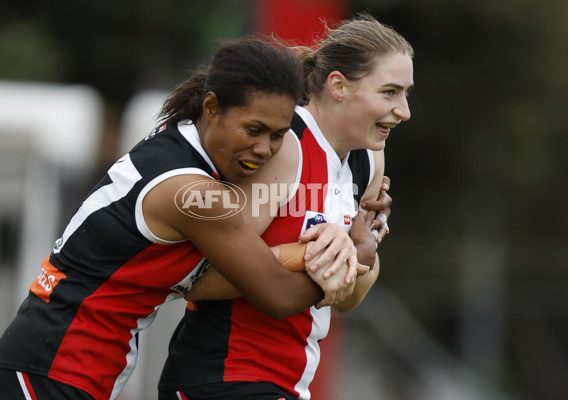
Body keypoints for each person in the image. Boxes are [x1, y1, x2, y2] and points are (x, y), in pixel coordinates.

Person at [0, 37, 360, 400]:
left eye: (278, 135)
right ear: (211, 107)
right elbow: (275, 295)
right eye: (253, 130)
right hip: (54, 366)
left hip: (61, 367)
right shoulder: (194, 194)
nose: (264, 149)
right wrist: (350, 259)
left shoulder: (180, 139)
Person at [157, 13, 414, 400]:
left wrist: (359, 251)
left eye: (406, 93)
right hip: (223, 376)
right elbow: (197, 279)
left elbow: (349, 298)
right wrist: (311, 255)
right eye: (390, 92)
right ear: (339, 86)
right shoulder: (286, 146)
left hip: (287, 382)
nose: (404, 110)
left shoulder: (368, 161)